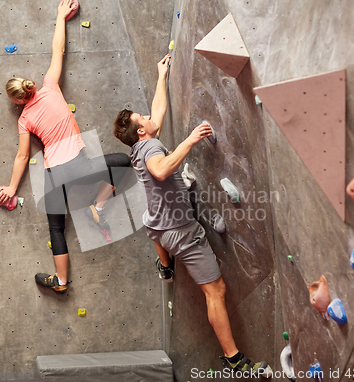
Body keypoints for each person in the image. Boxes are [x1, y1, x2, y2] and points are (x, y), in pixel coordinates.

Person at [113, 55, 271, 377]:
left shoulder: (141, 145)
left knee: (151, 223)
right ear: (142, 131)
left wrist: (161, 76)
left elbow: (158, 111)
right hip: (180, 231)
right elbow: (160, 169)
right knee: (216, 291)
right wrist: (190, 140)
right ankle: (233, 360)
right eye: (141, 117)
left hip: (158, 224)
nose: (147, 114)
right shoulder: (152, 152)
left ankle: (165, 265)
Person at [0, 0, 130, 294]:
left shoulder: (24, 120)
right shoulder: (49, 86)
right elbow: (58, 50)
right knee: (122, 160)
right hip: (79, 166)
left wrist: (11, 187)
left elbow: (22, 155)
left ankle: (60, 282)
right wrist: (60, 16)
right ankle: (98, 207)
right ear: (29, 87)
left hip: (53, 176)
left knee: (57, 228)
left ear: (19, 100)